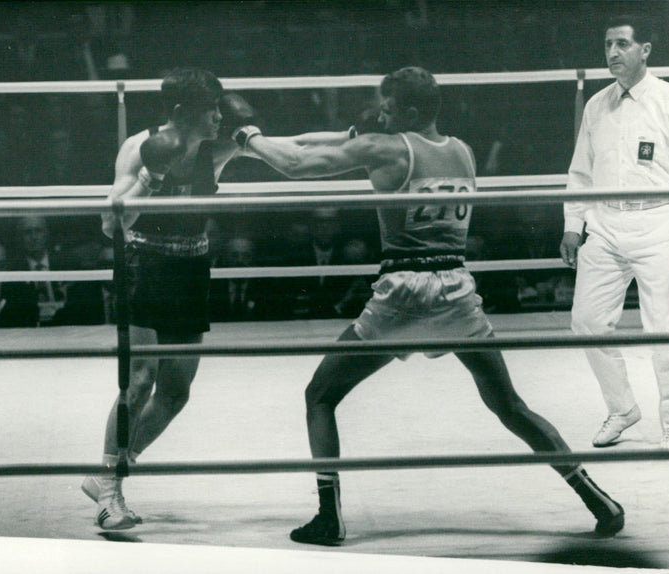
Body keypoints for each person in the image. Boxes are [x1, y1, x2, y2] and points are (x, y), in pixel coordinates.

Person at [234, 66, 625, 545]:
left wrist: (248, 138)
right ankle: (597, 499)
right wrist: (322, 135)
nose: (381, 113)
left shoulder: (386, 150)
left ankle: (328, 516)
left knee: (320, 395)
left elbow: (297, 164)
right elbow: (333, 139)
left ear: (411, 110)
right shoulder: (461, 150)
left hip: (402, 293)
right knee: (510, 405)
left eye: (389, 106)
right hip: (458, 291)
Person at [80, 67, 258, 530]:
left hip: (192, 264)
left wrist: (351, 136)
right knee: (139, 380)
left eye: (221, 107)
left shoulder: (217, 145)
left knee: (175, 392)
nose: (219, 117)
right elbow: (110, 224)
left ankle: (111, 473)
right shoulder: (141, 147)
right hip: (145, 264)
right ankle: (110, 492)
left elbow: (295, 151)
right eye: (210, 110)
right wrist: (150, 176)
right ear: (181, 113)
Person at [559, 15, 669, 450]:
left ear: (644, 49)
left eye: (622, 45)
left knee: (664, 328)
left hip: (662, 221)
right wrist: (574, 225)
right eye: (608, 44)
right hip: (606, 224)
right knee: (587, 322)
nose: (612, 53)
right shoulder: (596, 105)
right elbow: (580, 172)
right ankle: (622, 408)